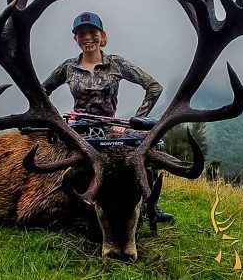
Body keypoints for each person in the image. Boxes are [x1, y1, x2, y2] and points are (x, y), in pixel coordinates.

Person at [42, 12, 173, 223]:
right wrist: (56, 121)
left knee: (149, 149)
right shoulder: (68, 68)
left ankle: (151, 207)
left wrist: (137, 120)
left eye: (92, 32)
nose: (87, 38)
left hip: (112, 127)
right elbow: (41, 92)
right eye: (81, 33)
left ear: (102, 35)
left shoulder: (116, 64)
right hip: (79, 129)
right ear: (75, 39)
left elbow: (154, 87)